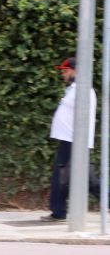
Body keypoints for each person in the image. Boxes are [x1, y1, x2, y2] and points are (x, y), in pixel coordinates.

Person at [42, 56, 98, 222]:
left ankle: (58, 212)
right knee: (72, 178)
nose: (63, 74)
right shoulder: (75, 89)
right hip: (70, 140)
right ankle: (58, 212)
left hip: (74, 141)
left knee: (74, 178)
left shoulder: (82, 89)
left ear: (76, 71)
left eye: (66, 71)